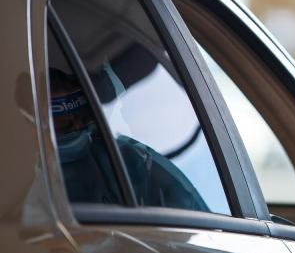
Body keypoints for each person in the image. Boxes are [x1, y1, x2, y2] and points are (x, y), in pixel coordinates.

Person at [49, 67, 209, 211]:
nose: (76, 123)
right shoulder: (123, 159)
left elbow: (191, 215)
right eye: (63, 117)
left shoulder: (127, 159)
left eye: (80, 115)